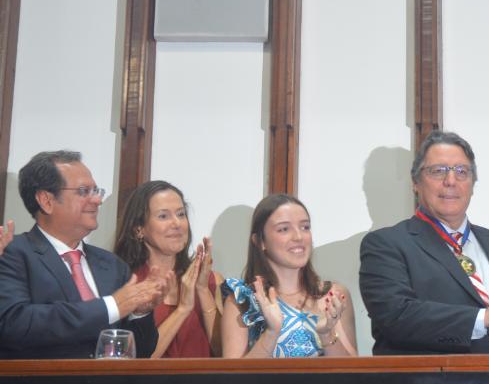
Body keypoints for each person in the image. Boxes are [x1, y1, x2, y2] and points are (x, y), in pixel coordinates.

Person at [359, 130, 489, 355]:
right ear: (415, 183)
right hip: (438, 376)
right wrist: (485, 317)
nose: (451, 181)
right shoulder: (385, 245)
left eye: (462, 172)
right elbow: (396, 316)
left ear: (472, 184)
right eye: (438, 171)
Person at [0, 150, 168, 359]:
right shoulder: (11, 253)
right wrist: (111, 306)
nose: (97, 200)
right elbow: (14, 324)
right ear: (46, 200)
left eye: (96, 191)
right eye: (83, 191)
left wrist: (139, 313)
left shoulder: (112, 265)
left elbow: (141, 352)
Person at [221, 194, 356, 358]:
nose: (299, 237)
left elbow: (353, 370)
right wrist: (271, 333)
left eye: (305, 227)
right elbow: (235, 373)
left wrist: (326, 334)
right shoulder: (243, 300)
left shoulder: (332, 296)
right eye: (284, 229)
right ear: (259, 241)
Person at [114, 181, 223, 358]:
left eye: (181, 214)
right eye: (163, 216)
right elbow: (136, 359)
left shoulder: (213, 281)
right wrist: (183, 309)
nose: (177, 223)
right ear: (139, 229)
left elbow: (224, 354)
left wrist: (202, 290)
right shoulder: (125, 283)